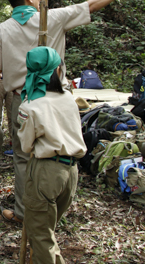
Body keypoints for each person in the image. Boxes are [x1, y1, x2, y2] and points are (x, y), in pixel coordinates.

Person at [0, 0, 137, 223]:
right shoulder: (51, 19)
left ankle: (23, 212)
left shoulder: (3, 29)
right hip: (56, 100)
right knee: (57, 153)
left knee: (23, 156)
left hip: (22, 101)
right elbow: (89, 5)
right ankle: (54, 209)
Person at [17, 47, 86, 264]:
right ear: (58, 70)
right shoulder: (69, 98)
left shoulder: (30, 106)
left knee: (41, 236)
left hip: (46, 172)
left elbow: (26, 145)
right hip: (71, 171)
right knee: (46, 231)